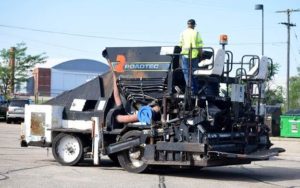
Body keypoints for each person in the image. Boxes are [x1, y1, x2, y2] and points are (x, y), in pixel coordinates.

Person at [179, 19, 203, 94]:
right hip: (194, 56)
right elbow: (200, 46)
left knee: (186, 73)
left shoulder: (183, 33)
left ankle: (190, 89)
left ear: (187, 25)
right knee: (194, 73)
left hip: (185, 55)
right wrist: (201, 55)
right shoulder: (196, 33)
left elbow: (180, 44)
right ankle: (195, 91)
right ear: (194, 25)